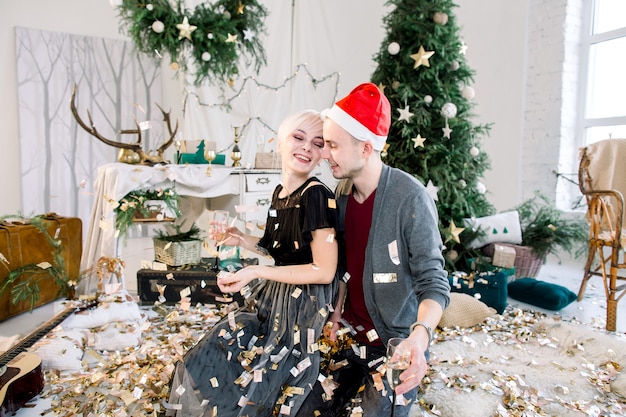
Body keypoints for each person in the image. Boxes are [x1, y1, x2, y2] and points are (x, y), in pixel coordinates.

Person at [167, 110, 339, 417]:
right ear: (279, 143)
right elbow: (278, 250)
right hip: (275, 297)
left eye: (316, 143)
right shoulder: (280, 193)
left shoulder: (316, 195)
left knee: (265, 366)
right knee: (222, 342)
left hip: (304, 307)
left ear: (323, 154)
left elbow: (324, 271)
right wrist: (240, 239)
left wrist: (257, 271)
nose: (306, 148)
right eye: (298, 138)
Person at [296, 83, 451, 417]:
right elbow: (345, 267)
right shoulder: (342, 192)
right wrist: (337, 312)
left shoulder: (410, 198)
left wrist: (418, 339)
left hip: (394, 344)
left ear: (366, 148)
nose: (324, 154)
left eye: (334, 145)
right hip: (349, 338)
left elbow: (434, 282)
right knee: (304, 406)